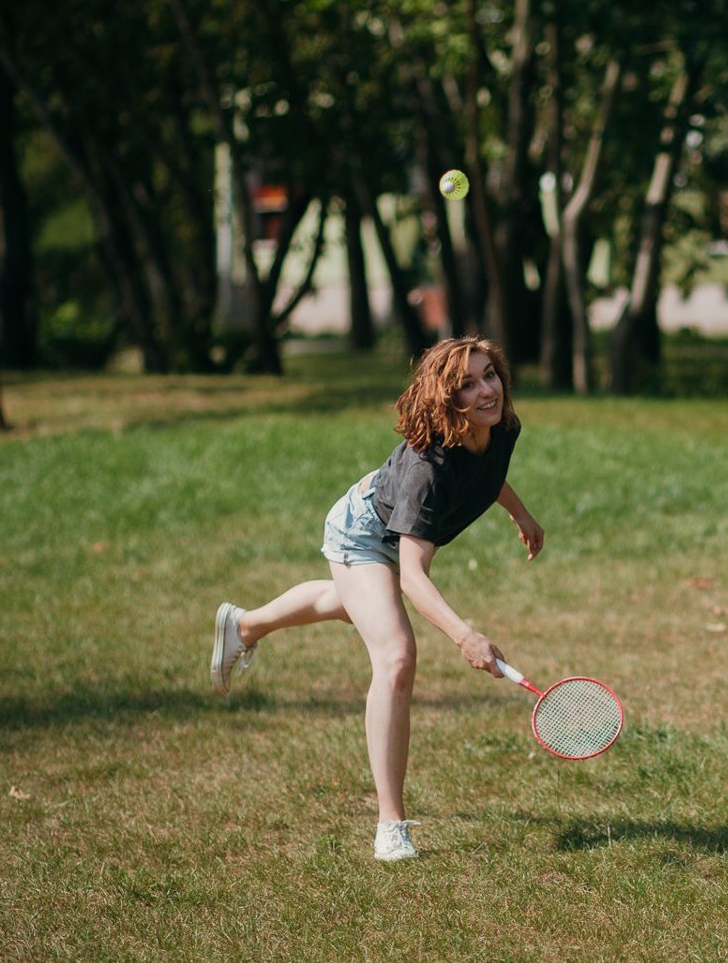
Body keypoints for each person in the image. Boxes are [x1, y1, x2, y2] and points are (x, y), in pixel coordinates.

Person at [208, 335, 544, 863]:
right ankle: (391, 824)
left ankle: (244, 627)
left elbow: (490, 473)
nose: (487, 391)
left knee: (348, 604)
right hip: (362, 534)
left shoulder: (502, 426)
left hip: (393, 534)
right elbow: (412, 575)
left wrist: (519, 514)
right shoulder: (428, 470)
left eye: (490, 375)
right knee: (395, 655)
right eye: (467, 385)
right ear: (444, 400)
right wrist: (464, 635)